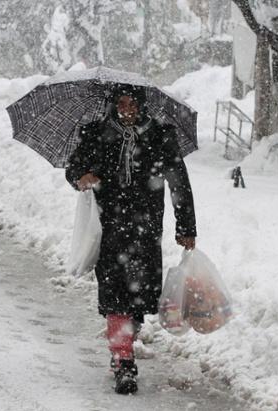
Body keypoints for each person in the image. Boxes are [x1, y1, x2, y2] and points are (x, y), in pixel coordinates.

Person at [65, 85, 196, 395]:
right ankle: (123, 360)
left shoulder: (161, 135)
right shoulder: (96, 132)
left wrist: (186, 226)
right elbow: (74, 168)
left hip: (146, 228)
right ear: (112, 105)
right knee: (115, 295)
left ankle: (127, 337)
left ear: (142, 106)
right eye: (120, 103)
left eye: (132, 103)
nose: (126, 109)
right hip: (109, 226)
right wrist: (81, 178)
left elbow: (179, 181)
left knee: (138, 298)